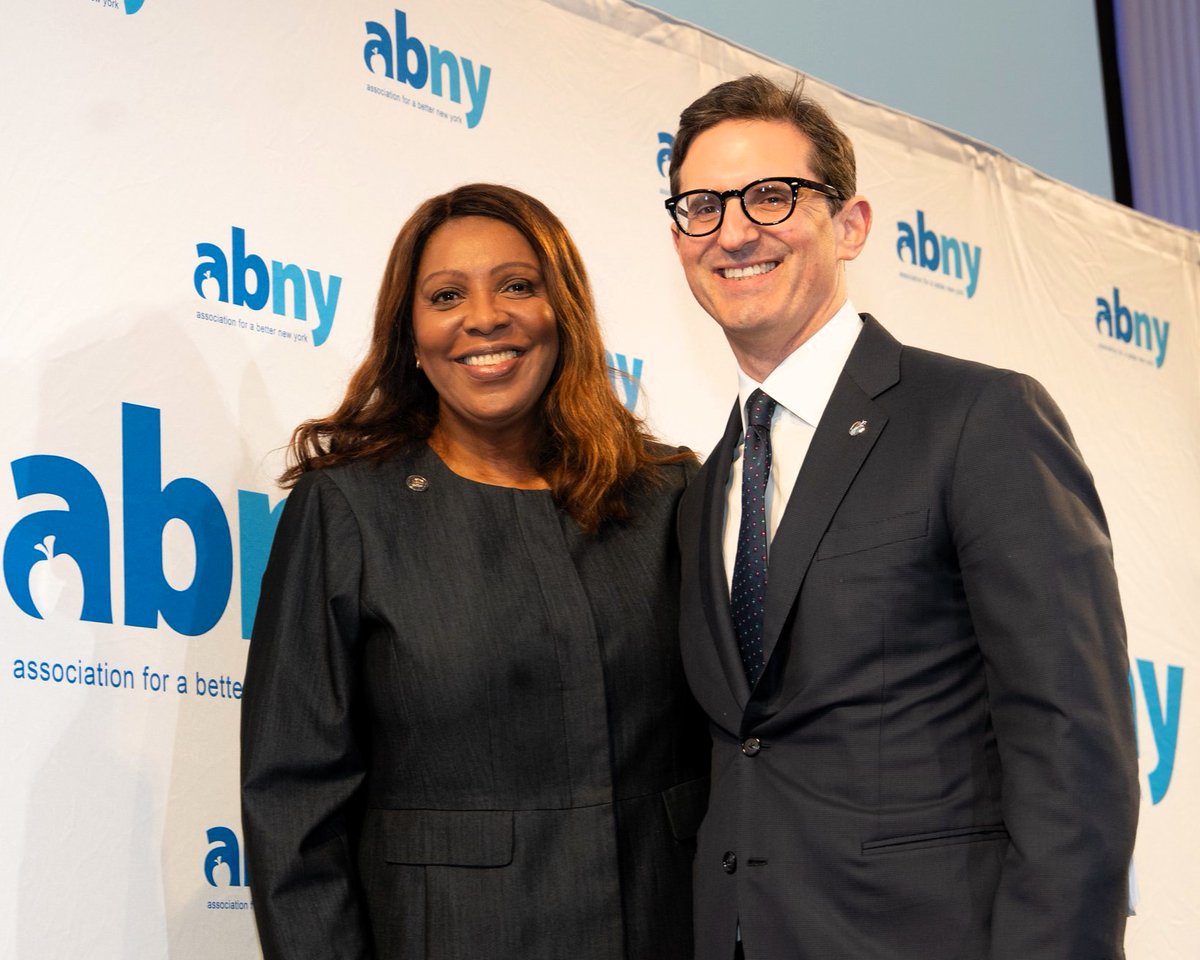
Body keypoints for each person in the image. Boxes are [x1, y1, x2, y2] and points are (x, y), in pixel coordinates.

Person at [664, 75, 1138, 960]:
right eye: (700, 205)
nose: (732, 231)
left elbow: (1074, 755)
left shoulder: (978, 418)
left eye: (772, 196)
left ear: (850, 225)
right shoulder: (707, 486)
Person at [240, 183, 709, 960]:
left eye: (517, 285)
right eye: (446, 295)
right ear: (411, 333)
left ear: (564, 310)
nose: (484, 316)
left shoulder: (667, 495)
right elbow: (293, 804)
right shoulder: (349, 510)